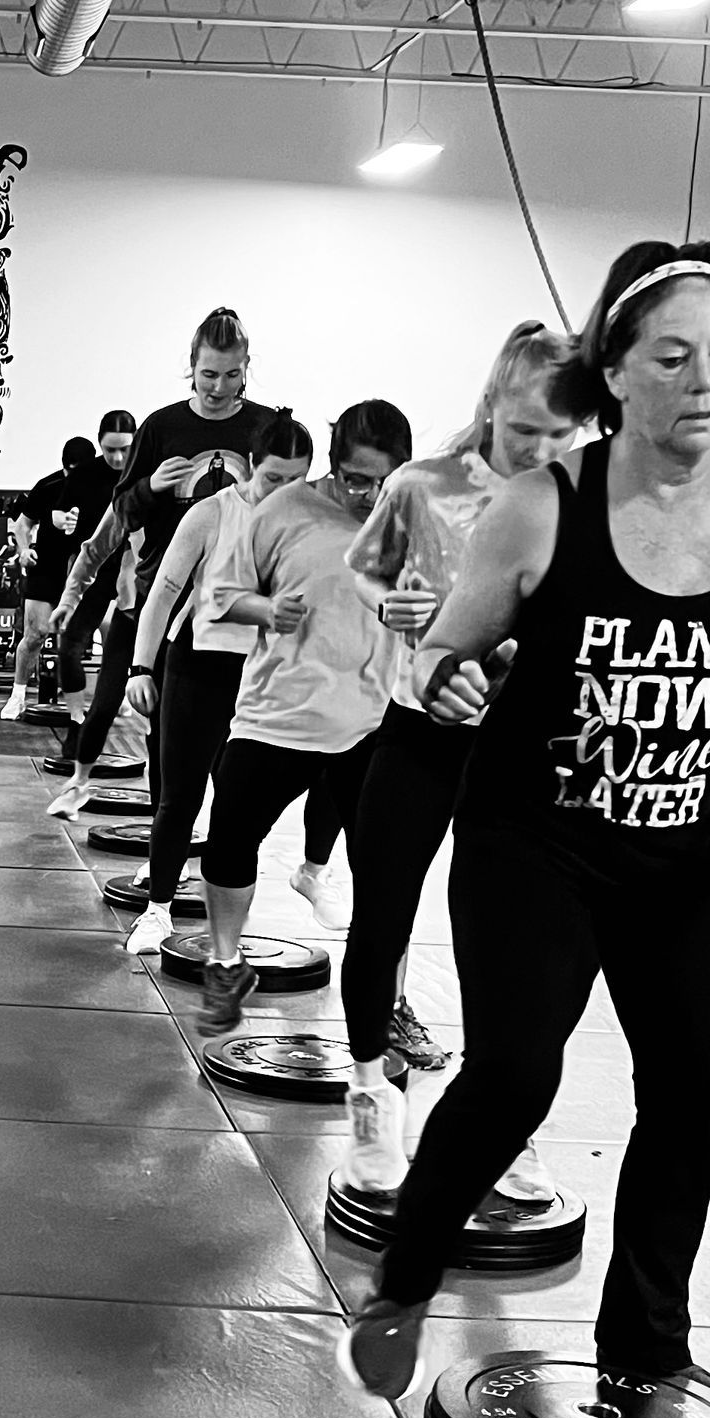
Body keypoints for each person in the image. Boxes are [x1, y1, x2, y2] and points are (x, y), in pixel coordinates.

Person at [342, 243, 710, 1401]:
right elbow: (445, 651)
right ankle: (407, 1278)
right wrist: (451, 676)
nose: (705, 379)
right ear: (618, 369)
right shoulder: (542, 506)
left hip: (687, 858)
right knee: (515, 1073)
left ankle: (646, 1348)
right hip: (534, 845)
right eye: (676, 356)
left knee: (697, 1089)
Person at [338, 325, 587, 1201]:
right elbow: (364, 566)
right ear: (491, 406)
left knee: (516, 951)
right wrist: (393, 603)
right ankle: (370, 1095)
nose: (543, 453)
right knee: (382, 914)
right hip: (419, 730)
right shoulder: (421, 486)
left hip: (520, 749)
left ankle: (503, 1124)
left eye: (563, 436)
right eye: (525, 433)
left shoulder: (578, 501)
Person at [191, 400, 413, 1037]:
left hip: (372, 724)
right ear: (333, 462)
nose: (366, 495)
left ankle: (391, 1007)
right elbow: (222, 599)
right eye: (353, 479)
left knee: (388, 877)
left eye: (382, 482)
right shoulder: (282, 511)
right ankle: (227, 965)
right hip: (275, 716)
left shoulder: (416, 519)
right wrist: (267, 612)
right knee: (230, 844)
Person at [48, 310, 277, 819]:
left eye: (232, 374)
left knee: (232, 739)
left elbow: (288, 508)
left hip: (236, 605)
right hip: (163, 598)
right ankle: (161, 833)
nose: (219, 387)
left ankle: (211, 845)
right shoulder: (162, 427)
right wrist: (151, 488)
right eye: (208, 374)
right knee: (165, 731)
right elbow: (120, 513)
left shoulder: (263, 428)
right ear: (191, 367)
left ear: (246, 369)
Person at [119, 409, 319, 955]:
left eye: (297, 480)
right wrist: (140, 668)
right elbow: (163, 592)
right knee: (180, 797)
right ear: (251, 465)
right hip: (199, 665)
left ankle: (236, 923)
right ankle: (158, 909)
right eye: (274, 478)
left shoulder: (312, 523)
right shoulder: (212, 513)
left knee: (238, 808)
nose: (285, 490)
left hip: (265, 674)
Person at [1, 413, 136, 721]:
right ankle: (18, 695)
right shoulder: (47, 486)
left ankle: (115, 692)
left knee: (111, 632)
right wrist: (24, 551)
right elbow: (24, 524)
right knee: (35, 633)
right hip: (47, 566)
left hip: (91, 569)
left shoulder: (118, 483)